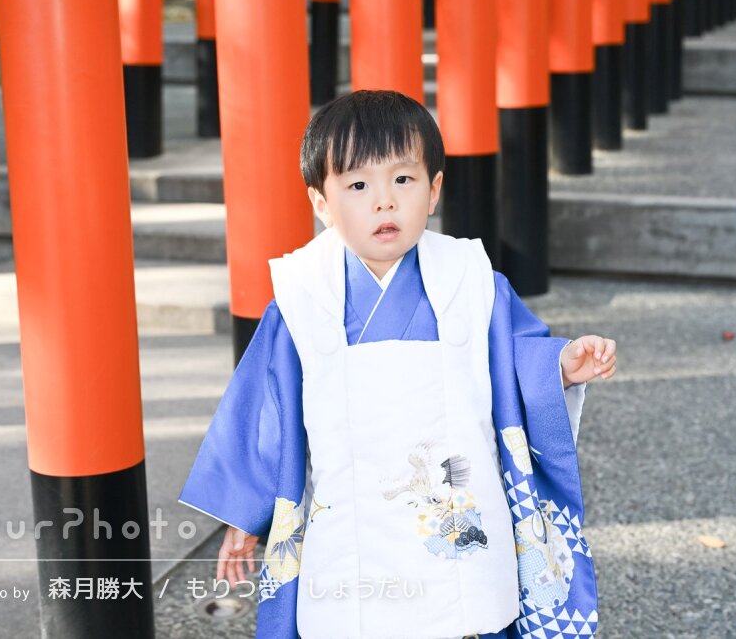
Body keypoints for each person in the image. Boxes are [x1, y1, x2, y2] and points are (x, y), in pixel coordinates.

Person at [179, 90, 617, 639]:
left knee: (464, 613)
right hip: (349, 521)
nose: (384, 202)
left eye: (403, 180)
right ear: (322, 203)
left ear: (433, 190)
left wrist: (560, 366)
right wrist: (247, 515)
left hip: (456, 516)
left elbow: (515, 363)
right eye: (358, 186)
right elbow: (266, 408)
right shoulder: (302, 295)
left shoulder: (472, 281)